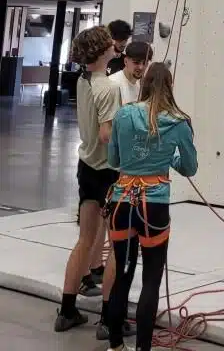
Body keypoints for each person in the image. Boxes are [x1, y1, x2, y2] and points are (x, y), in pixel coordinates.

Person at [106, 62, 198, 351]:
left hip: (121, 201)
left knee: (122, 274)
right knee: (151, 279)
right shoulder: (179, 122)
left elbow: (113, 160)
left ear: (144, 84)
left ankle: (115, 345)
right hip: (153, 205)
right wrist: (168, 159)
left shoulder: (123, 114)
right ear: (170, 86)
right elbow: (190, 167)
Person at [55, 26, 123, 336]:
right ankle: (109, 321)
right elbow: (107, 135)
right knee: (117, 245)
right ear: (102, 50)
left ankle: (67, 310)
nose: (114, 45)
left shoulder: (83, 80)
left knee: (85, 239)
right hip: (108, 170)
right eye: (110, 42)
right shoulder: (106, 87)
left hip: (87, 166)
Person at [109, 41, 153, 105]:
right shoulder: (112, 83)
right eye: (136, 62)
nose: (141, 67)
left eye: (144, 63)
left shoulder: (141, 85)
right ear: (125, 61)